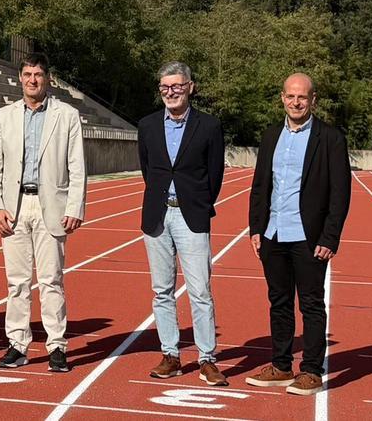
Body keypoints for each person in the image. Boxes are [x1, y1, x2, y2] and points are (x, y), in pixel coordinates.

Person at [245, 73, 350, 396]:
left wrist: (329, 238)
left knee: (311, 304)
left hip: (309, 237)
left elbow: (340, 193)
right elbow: (260, 186)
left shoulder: (330, 138)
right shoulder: (271, 135)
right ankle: (280, 365)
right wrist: (256, 228)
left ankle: (312, 370)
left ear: (313, 100)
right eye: (290, 96)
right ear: (282, 98)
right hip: (273, 234)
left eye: (302, 97)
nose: (296, 102)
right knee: (278, 302)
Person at [0, 53, 86, 372]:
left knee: (51, 280)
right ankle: (18, 343)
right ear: (19, 78)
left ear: (47, 79)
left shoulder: (67, 115)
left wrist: (75, 206)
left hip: (50, 206)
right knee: (16, 282)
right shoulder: (5, 115)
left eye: (38, 74)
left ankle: (56, 344)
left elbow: (77, 166)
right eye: (27, 74)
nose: (32, 80)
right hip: (14, 206)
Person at [136, 62, 227, 385]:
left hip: (192, 216)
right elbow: (149, 170)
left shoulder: (209, 126)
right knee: (162, 290)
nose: (171, 92)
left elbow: (214, 175)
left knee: (200, 290)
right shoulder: (147, 126)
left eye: (177, 86)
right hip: (158, 215)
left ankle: (207, 358)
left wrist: (197, 203)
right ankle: (170, 354)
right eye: (165, 87)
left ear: (190, 87)